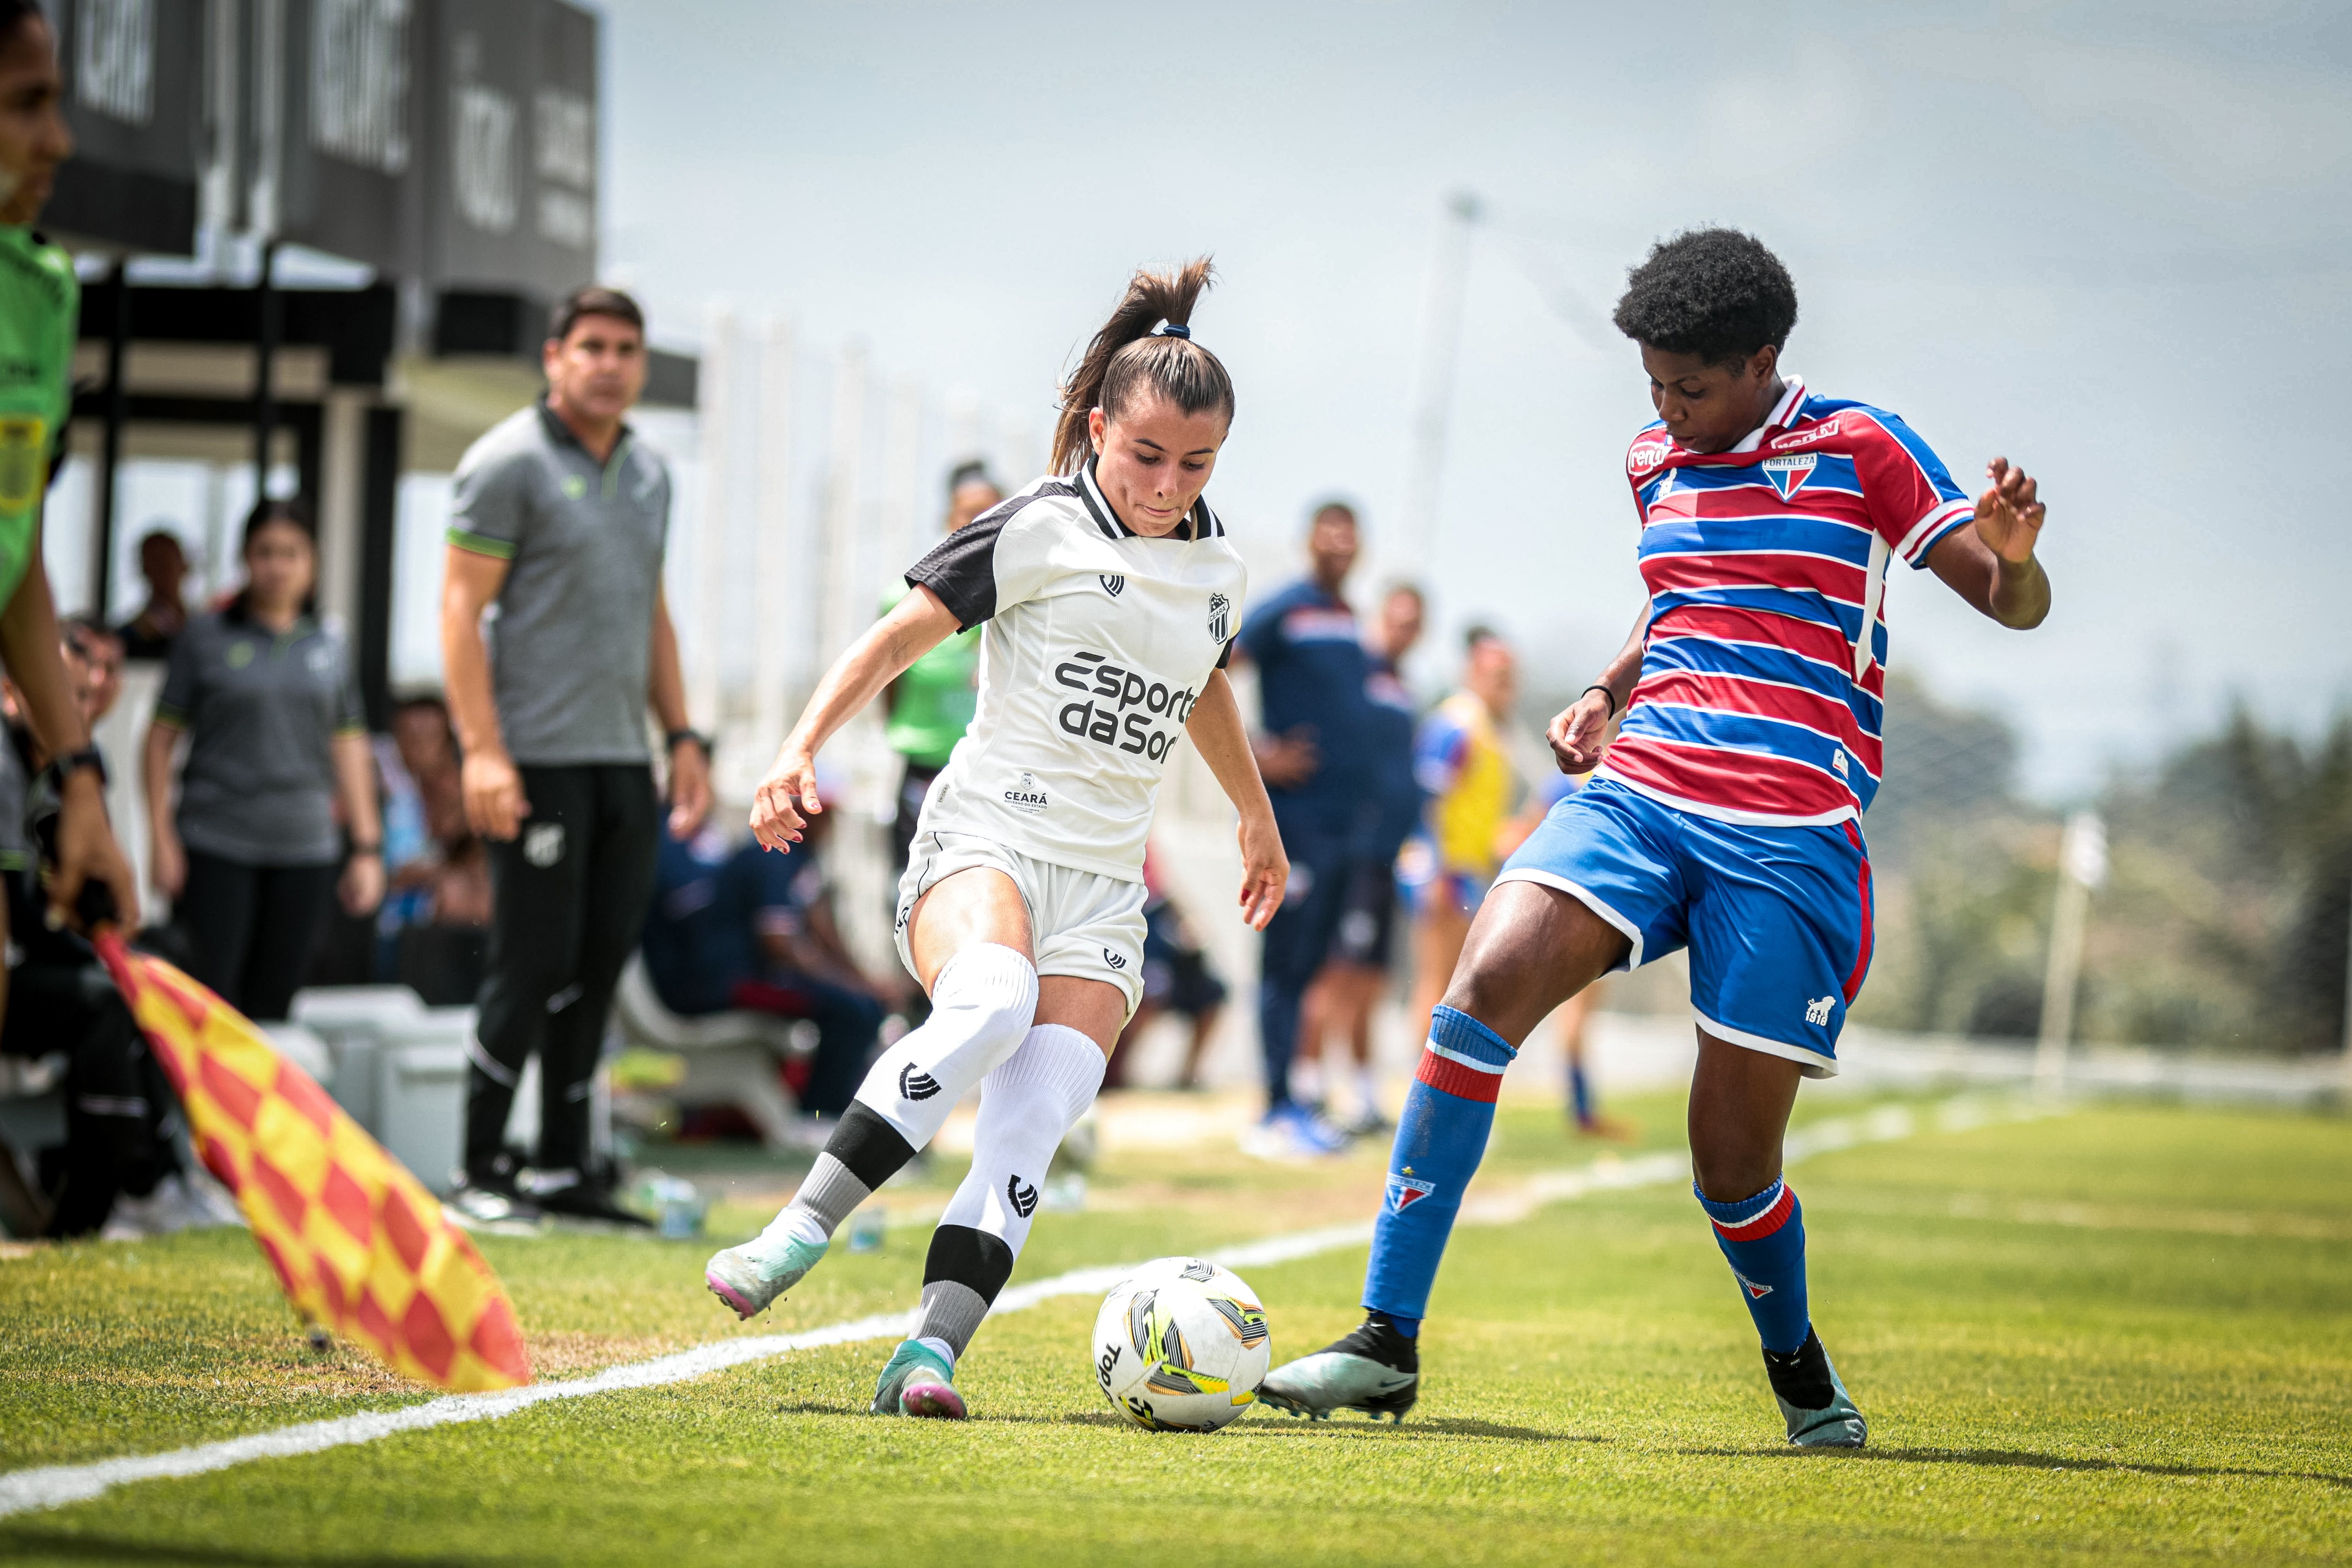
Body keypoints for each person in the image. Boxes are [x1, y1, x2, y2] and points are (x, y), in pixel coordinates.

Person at [1261, 228, 2052, 1445]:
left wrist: (2015, 559)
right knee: (1476, 990)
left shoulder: (1858, 447)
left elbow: (2007, 603)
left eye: (1690, 385)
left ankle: (1797, 1371)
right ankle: (1384, 1339)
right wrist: (1606, 686)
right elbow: (1682, 594)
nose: (1667, 410)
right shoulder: (1652, 457)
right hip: (1640, 793)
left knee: (1729, 1163)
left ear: (1760, 358)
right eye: (1651, 387)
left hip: (1788, 838)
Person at [703, 258, 1285, 1423]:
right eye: (1145, 454)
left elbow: (1203, 682)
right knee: (987, 1002)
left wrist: (1253, 812)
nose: (1168, 483)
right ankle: (795, 1227)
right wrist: (794, 749)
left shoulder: (1216, 563)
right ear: (1094, 427)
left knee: (1038, 1107)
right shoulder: (1034, 525)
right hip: (985, 839)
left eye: (1196, 463)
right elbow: (890, 638)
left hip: (1102, 886)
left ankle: (928, 1355)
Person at [440, 284, 713, 1226]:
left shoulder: (650, 474)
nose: (609, 364)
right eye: (590, 346)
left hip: (621, 762)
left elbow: (654, 613)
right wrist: (481, 751)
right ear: (554, 358)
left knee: (596, 965)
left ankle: (566, 1168)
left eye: (626, 348)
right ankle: (478, 1168)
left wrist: (680, 736)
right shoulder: (505, 462)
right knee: (528, 960)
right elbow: (457, 613)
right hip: (534, 758)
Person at [0, 0, 140, 974]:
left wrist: (80, 780)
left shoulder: (42, 294)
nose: (61, 139)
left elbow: (19, 558)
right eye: (25, 104)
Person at [143, 501, 384, 1020]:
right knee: (209, 1004)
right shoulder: (203, 638)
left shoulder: (329, 645)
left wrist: (367, 847)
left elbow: (349, 744)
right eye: (266, 553)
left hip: (304, 848)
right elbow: (159, 740)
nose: (278, 566)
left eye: (292, 553)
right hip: (215, 841)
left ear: (312, 562)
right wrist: (160, 838)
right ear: (245, 559)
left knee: (276, 1005)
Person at [1234, 500, 1377, 1155]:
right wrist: (1256, 752)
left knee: (1311, 967)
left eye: (1348, 536)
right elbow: (1210, 665)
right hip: (1293, 824)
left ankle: (1300, 1100)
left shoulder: (1347, 618)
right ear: (1309, 541)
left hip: (1341, 827)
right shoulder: (1283, 608)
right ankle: (1273, 1109)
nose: (1338, 545)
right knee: (1283, 965)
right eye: (1328, 534)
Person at [640, 805, 891, 1128]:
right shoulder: (773, 851)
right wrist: (852, 987)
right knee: (853, 1010)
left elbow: (821, 930)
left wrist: (862, 983)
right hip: (720, 983)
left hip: (733, 977)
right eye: (819, 813)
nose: (827, 824)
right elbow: (779, 944)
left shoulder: (799, 858)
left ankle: (825, 1110)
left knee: (860, 1005)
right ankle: (819, 1116)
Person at [1294, 581, 1424, 1134]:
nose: (1403, 630)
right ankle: (1309, 1090)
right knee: (1333, 974)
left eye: (1414, 622)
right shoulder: (1359, 672)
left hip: (1386, 856)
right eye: (1396, 618)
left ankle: (1366, 1096)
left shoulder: (1401, 683)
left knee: (1369, 979)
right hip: (1352, 847)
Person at [1398, 626, 1523, 1045]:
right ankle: (1422, 1096)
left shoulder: (1488, 728)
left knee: (1454, 986)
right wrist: (1433, 871)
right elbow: (1424, 799)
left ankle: (1432, 1092)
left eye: (1509, 675)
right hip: (1443, 870)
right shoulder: (1457, 723)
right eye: (1496, 674)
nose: (1504, 684)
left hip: (1465, 867)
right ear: (1473, 671)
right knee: (1438, 984)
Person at [883, 461, 1001, 876]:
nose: (981, 522)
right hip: (923, 771)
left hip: (988, 782)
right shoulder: (905, 599)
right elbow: (887, 682)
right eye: (970, 512)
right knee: (906, 891)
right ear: (949, 518)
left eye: (993, 510)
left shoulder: (1017, 605)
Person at [1103, 851, 1228, 1092]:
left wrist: (1191, 925)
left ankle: (1188, 1078)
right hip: (1134, 942)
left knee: (1213, 995)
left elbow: (1165, 891)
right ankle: (1114, 1076)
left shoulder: (1143, 840)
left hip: (1164, 944)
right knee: (1148, 993)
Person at [115, 530, 190, 661]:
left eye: (168, 562)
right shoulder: (128, 635)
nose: (164, 571)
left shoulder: (201, 628)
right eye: (156, 563)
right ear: (145, 569)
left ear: (183, 566)